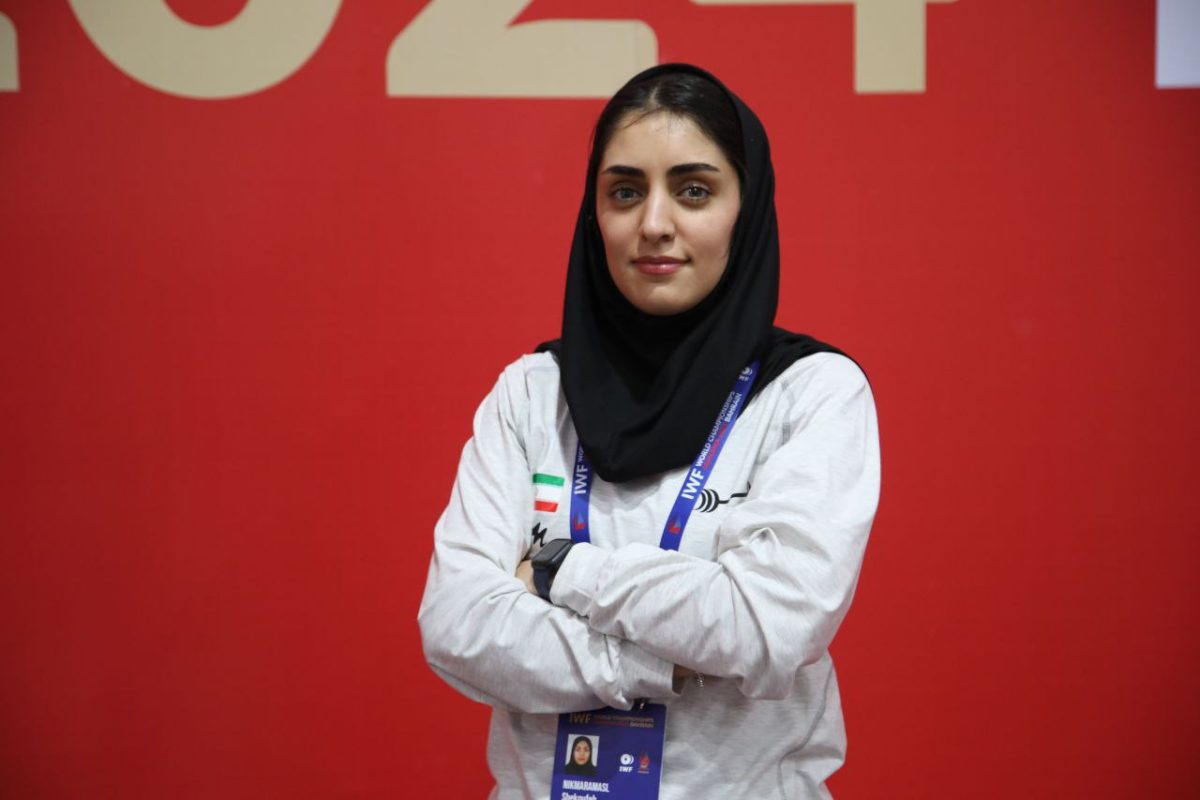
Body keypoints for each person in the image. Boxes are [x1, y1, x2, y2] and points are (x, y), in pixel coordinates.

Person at [418, 63, 881, 799]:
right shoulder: (533, 393)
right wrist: (659, 662)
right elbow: (457, 625)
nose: (655, 223)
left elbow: (767, 628)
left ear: (745, 209)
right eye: (626, 192)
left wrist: (559, 570)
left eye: (694, 190)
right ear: (594, 212)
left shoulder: (810, 393)